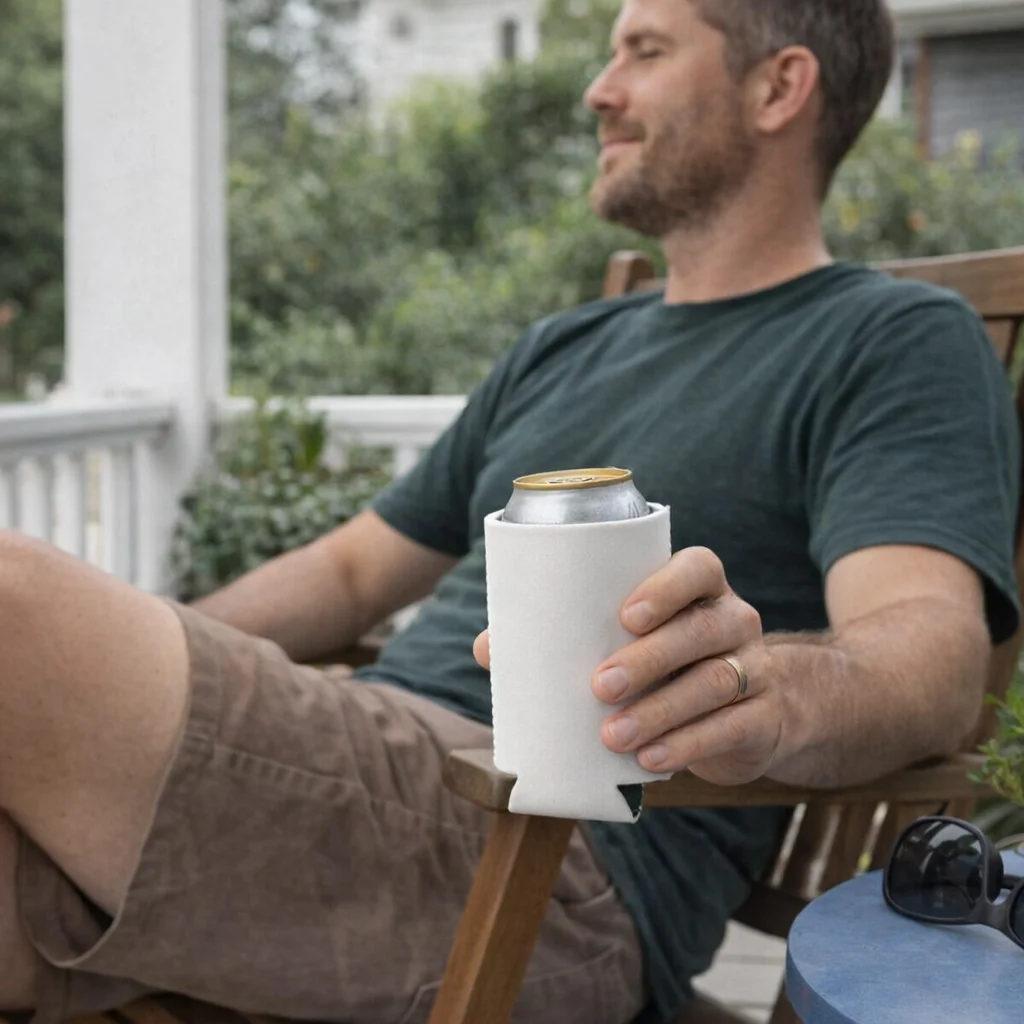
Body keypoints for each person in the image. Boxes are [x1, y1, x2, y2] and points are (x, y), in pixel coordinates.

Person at [0, 0, 1019, 1022]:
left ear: (778, 88)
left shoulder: (888, 340)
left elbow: (927, 658)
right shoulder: (563, 346)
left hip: (542, 858)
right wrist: (108, 681)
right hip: (357, 785)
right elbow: (354, 572)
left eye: (645, 51)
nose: (598, 88)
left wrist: (758, 693)